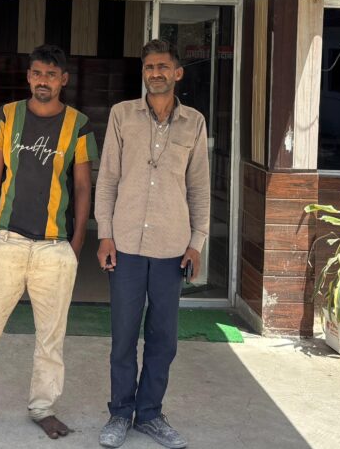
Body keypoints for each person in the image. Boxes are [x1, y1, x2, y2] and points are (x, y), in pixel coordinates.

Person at [0, 44, 97, 440]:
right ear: (29, 77)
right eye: (37, 73)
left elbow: (83, 187)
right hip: (7, 241)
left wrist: (76, 243)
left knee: (51, 336)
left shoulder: (78, 124)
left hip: (54, 247)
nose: (43, 81)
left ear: (63, 80)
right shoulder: (7, 116)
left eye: (51, 74)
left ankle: (43, 407)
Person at [94, 39, 210, 449]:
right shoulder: (122, 115)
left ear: (177, 73)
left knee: (163, 339)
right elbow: (107, 178)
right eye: (149, 67)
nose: (155, 73)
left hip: (171, 248)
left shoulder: (194, 123)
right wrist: (105, 234)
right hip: (125, 243)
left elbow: (199, 188)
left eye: (163, 67)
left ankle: (150, 414)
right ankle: (119, 413)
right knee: (123, 336)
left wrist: (197, 242)